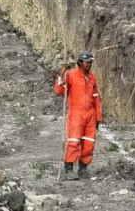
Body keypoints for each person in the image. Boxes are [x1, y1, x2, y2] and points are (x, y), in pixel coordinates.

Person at [54, 50, 102, 181]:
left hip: (90, 114)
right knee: (74, 141)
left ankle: (83, 168)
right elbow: (58, 91)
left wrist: (98, 117)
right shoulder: (71, 75)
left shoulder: (92, 77)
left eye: (90, 62)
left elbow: (96, 98)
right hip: (76, 113)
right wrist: (61, 75)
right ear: (80, 63)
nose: (89, 64)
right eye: (87, 62)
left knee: (89, 142)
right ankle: (69, 169)